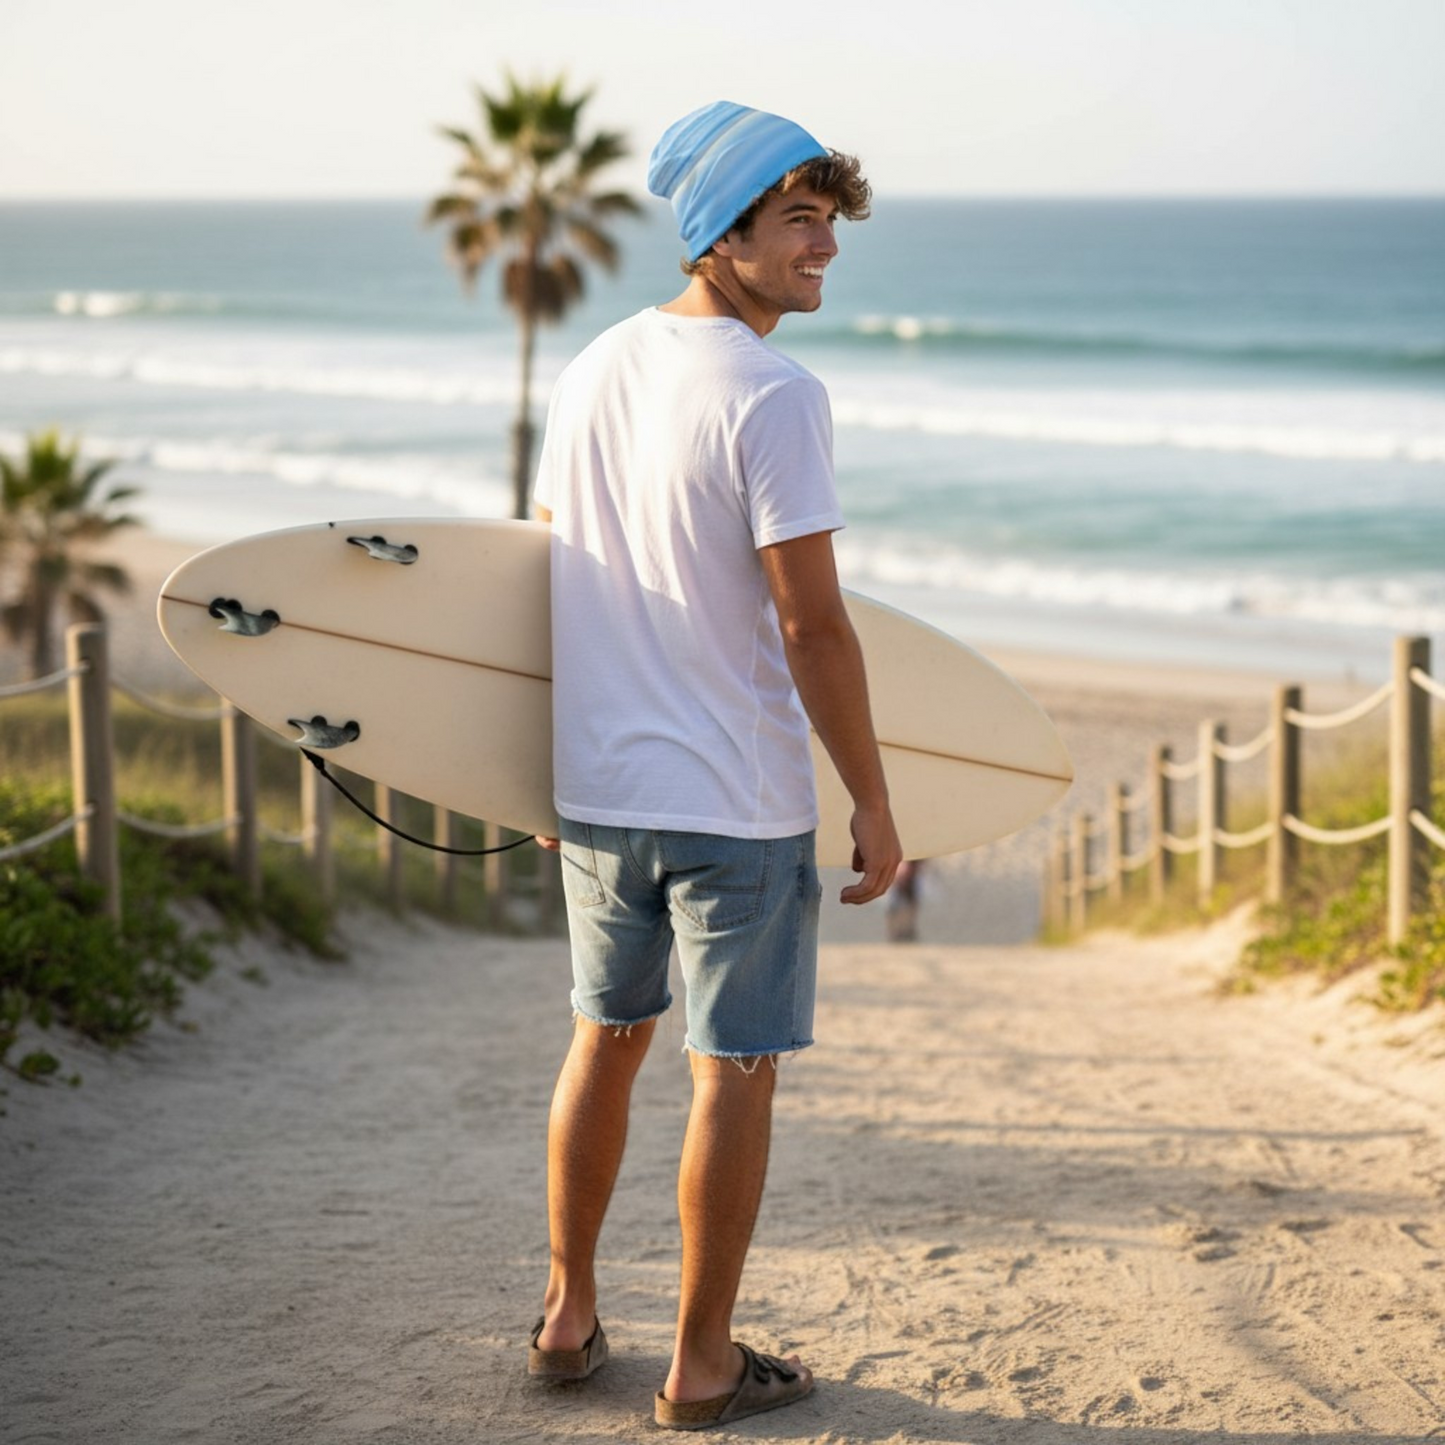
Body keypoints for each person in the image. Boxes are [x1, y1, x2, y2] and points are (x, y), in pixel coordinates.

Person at [527, 100, 902, 1431]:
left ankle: (568, 1319)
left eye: (829, 223)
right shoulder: (775, 394)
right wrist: (870, 794)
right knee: (732, 1071)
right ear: (722, 232)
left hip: (598, 793)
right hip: (734, 804)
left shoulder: (591, 372)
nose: (824, 252)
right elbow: (811, 621)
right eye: (799, 222)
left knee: (604, 1042)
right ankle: (700, 1363)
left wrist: (538, 775)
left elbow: (552, 571)